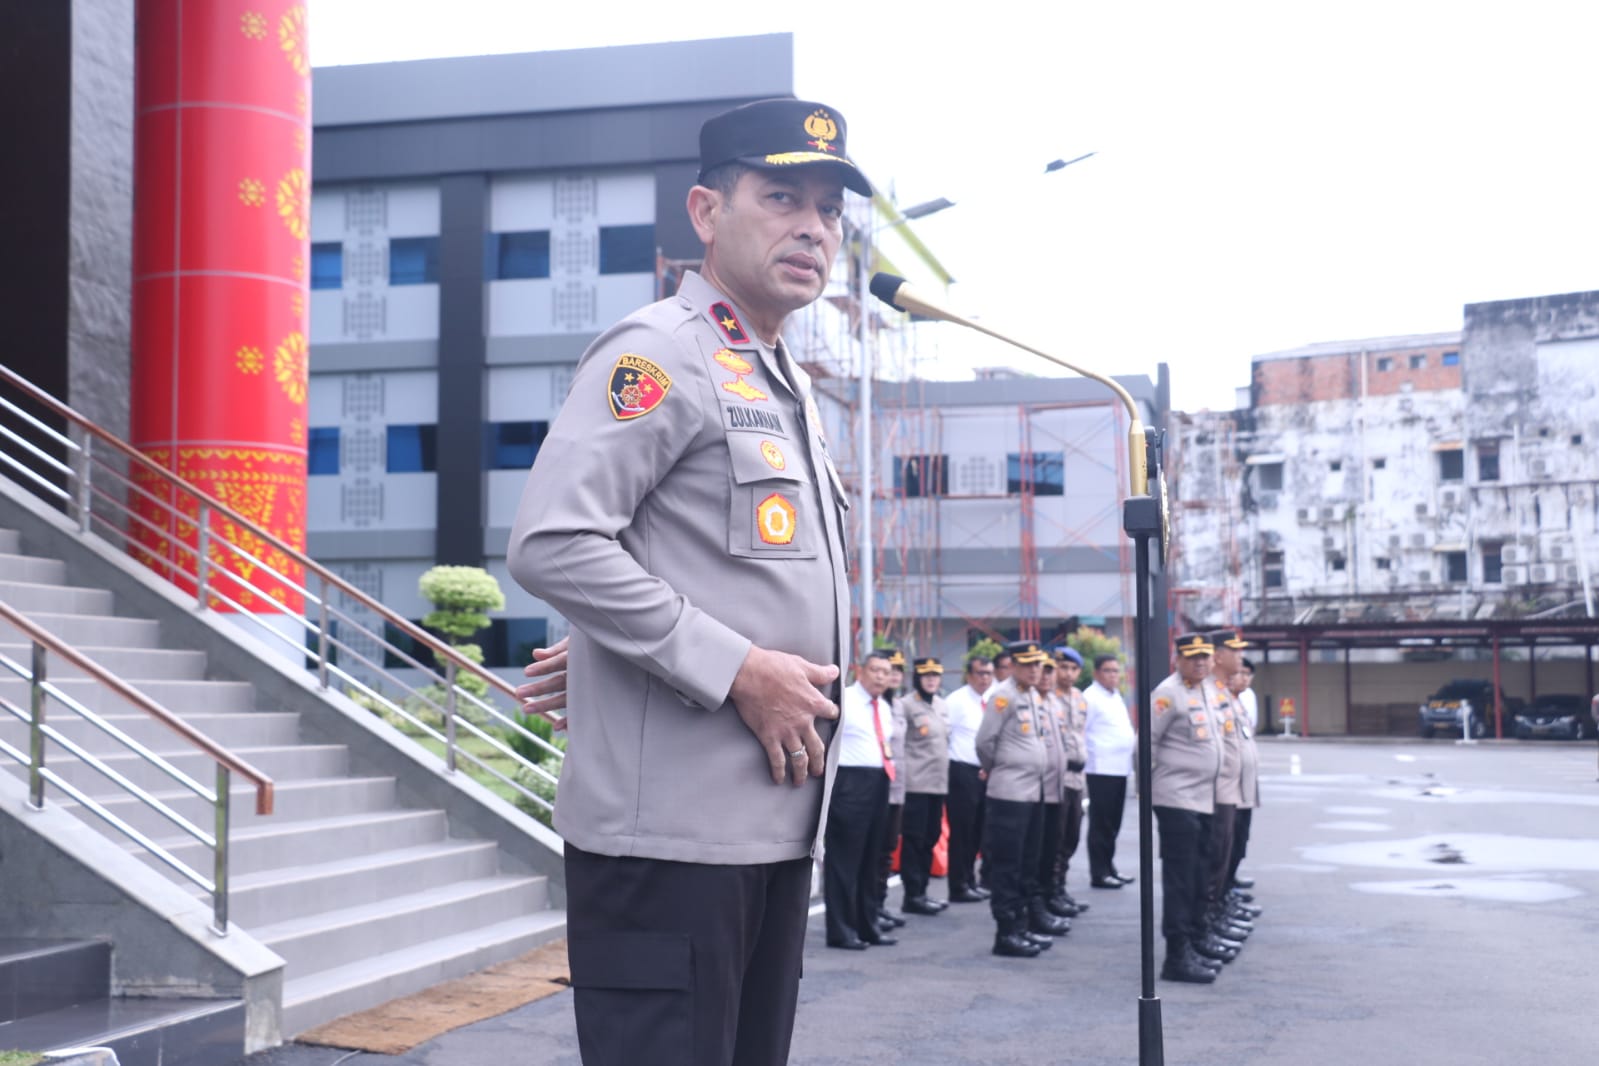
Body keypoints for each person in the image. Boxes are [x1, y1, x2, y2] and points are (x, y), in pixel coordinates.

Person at [505, 97, 867, 1065]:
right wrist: (736, 666)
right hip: (670, 844)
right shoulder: (659, 351)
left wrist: (608, 643)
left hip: (770, 833)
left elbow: (693, 552)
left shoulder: (775, 374)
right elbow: (553, 541)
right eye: (782, 196)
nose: (813, 229)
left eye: (830, 210)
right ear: (707, 212)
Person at [1149, 634, 1226, 983]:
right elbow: (1145, 744)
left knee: (1198, 874)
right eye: (1192, 657)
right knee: (1181, 880)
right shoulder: (1168, 694)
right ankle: (1176, 956)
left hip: (1203, 798)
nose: (1200, 663)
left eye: (1205, 657)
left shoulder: (1207, 690)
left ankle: (1195, 939)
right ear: (1177, 659)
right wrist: (1149, 792)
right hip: (1176, 799)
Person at [976, 640, 1054, 958]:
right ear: (1016, 666)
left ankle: (1021, 926)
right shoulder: (1003, 696)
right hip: (1009, 793)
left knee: (1027, 863)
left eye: (1038, 664)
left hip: (1033, 793)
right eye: (1029, 664)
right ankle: (1006, 932)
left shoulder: (1032, 695)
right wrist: (999, 768)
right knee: (1007, 866)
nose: (1036, 670)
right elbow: (984, 742)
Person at [823, 650, 899, 950]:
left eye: (886, 671)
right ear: (860, 671)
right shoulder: (845, 700)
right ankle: (841, 930)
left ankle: (868, 925)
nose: (881, 676)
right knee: (844, 861)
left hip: (879, 782)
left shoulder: (884, 706)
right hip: (850, 785)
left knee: (872, 859)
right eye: (876, 670)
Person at [899, 657, 951, 915]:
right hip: (916, 785)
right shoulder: (906, 705)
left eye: (935, 675)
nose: (931, 679)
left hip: (938, 784)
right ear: (917, 677)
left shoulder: (942, 705)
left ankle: (923, 891)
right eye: (926, 675)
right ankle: (913, 894)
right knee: (914, 840)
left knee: (930, 838)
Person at [943, 655, 993, 903]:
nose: (985, 678)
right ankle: (958, 884)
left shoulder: (991, 699)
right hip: (962, 771)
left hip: (984, 773)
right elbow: (945, 735)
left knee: (978, 831)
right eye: (980, 673)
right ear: (969, 675)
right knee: (962, 831)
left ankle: (970, 880)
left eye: (988, 673)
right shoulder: (957, 701)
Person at [1083, 654, 1136, 888]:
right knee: (1101, 824)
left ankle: (1109, 867)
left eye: (1116, 671)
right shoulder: (1090, 697)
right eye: (1107, 671)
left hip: (1119, 769)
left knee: (1113, 823)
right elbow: (1081, 731)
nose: (1113, 675)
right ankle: (1099, 872)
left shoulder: (1114, 696)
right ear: (1096, 673)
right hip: (1100, 768)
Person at [1049, 647, 1091, 918]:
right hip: (1058, 777)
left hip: (1078, 778)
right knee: (1056, 836)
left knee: (1072, 837)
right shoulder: (1048, 697)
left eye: (1073, 669)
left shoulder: (1079, 698)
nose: (1068, 673)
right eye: (1063, 668)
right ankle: (1051, 891)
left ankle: (1061, 888)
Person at [875, 648, 910, 930]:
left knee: (887, 849)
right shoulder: (874, 706)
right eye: (890, 671)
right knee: (873, 851)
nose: (894, 676)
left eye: (898, 672)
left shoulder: (897, 706)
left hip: (896, 787)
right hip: (874, 789)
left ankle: (879, 904)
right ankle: (870, 907)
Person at [1226, 662, 1263, 903]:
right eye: (1239, 673)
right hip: (1227, 786)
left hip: (1244, 784)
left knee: (1240, 837)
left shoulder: (1242, 700)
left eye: (1247, 674)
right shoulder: (1218, 700)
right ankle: (1222, 895)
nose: (1244, 678)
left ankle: (1228, 885)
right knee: (1224, 843)